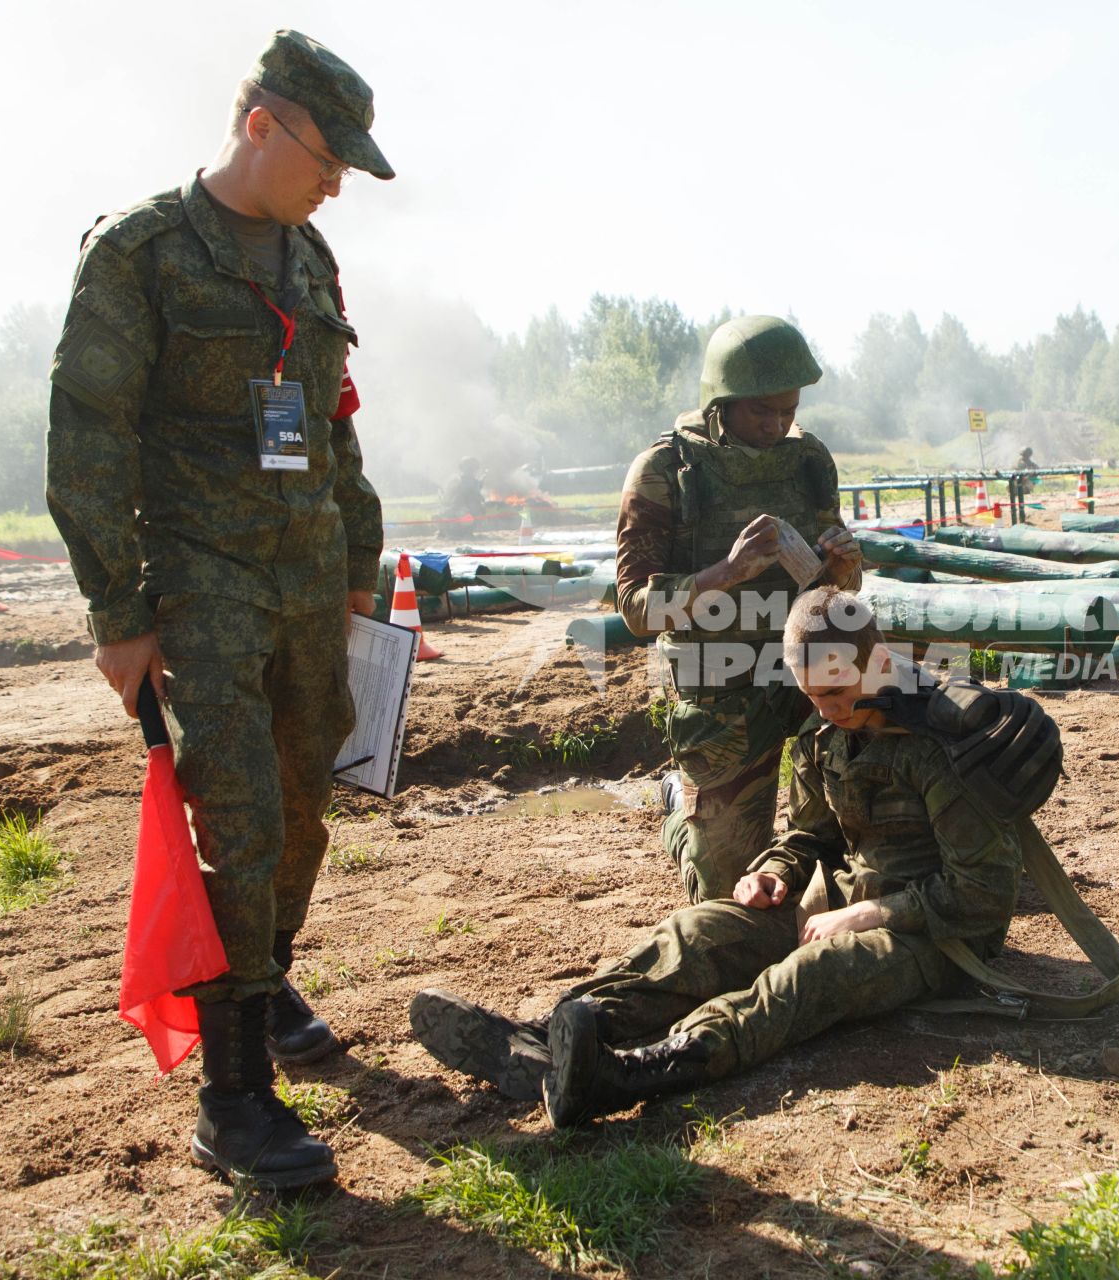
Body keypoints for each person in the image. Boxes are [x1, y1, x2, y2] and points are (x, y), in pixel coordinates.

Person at [43, 30, 392, 1191]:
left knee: (303, 799)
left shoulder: (312, 258)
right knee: (236, 807)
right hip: (199, 578)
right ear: (262, 124)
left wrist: (359, 556)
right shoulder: (141, 253)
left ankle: (263, 969)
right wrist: (115, 609)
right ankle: (234, 1095)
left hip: (304, 576)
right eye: (328, 153)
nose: (337, 177)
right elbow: (88, 434)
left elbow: (332, 418)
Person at [408, 586, 1034, 1125]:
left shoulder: (941, 740)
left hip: (937, 938)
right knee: (697, 930)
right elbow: (810, 834)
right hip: (842, 905)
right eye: (811, 695)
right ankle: (548, 1036)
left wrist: (869, 916)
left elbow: (983, 895)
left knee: (803, 980)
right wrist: (774, 871)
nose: (827, 710)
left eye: (839, 692)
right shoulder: (824, 730)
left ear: (874, 661)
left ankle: (629, 1073)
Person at [614, 316, 862, 905]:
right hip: (719, 682)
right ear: (721, 403)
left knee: (859, 836)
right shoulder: (664, 474)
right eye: (762, 413)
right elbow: (635, 608)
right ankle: (681, 808)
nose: (778, 426)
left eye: (788, 410)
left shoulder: (809, 461)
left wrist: (846, 565)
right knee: (727, 895)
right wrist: (725, 575)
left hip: (807, 675)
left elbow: (840, 588)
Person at [437, 456, 487, 520]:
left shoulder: (457, 480)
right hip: (469, 510)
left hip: (462, 510)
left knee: (449, 512)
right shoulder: (472, 482)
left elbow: (448, 497)